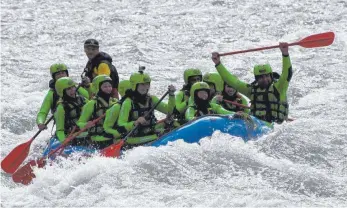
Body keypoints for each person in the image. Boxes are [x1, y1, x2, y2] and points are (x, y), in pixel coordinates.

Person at [212, 42, 292, 124]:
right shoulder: (251, 90)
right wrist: (218, 64)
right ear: (256, 79)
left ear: (271, 76)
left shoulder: (279, 87)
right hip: (257, 126)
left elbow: (287, 73)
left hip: (275, 126)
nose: (264, 79)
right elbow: (232, 81)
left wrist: (285, 54)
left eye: (266, 76)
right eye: (261, 77)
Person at [117, 70, 176, 146]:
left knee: (173, 124)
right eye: (142, 84)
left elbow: (169, 111)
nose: (145, 87)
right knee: (162, 134)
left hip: (150, 131)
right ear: (134, 85)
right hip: (134, 138)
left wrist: (171, 95)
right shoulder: (128, 103)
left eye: (147, 84)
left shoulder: (151, 99)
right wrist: (135, 123)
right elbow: (121, 125)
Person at [36, 63, 89, 130]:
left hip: (83, 122)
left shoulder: (75, 87)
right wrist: (40, 123)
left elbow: (89, 98)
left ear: (67, 74)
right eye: (58, 74)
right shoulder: (51, 94)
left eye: (63, 73)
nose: (61, 75)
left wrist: (88, 85)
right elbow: (43, 112)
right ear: (54, 77)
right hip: (64, 126)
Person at [77, 75, 118, 149]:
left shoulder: (115, 102)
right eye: (105, 86)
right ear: (97, 88)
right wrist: (86, 125)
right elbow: (79, 123)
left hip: (114, 137)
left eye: (110, 86)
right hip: (98, 140)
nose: (108, 89)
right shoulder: (91, 104)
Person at [54, 77, 89, 145]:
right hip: (71, 134)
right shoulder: (61, 108)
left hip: (84, 130)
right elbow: (60, 130)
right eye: (68, 89)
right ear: (62, 92)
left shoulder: (82, 99)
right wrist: (63, 141)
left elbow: (93, 106)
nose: (72, 90)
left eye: (73, 87)